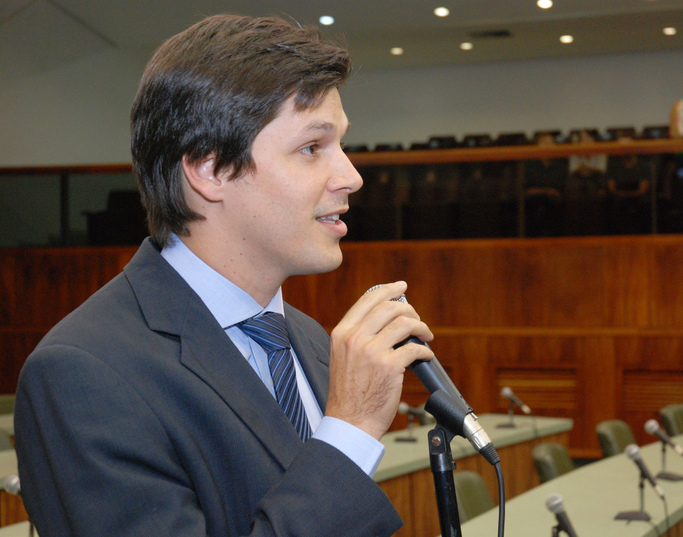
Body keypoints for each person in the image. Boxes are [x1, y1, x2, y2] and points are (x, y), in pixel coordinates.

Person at [14, 14, 435, 537]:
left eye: (341, 145)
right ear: (209, 170)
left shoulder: (311, 342)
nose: (351, 176)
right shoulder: (83, 374)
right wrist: (351, 430)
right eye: (312, 148)